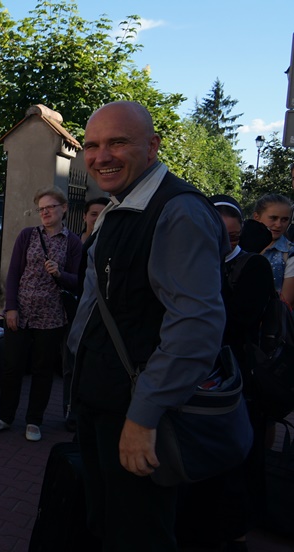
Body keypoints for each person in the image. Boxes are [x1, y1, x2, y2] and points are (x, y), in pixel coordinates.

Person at [67, 101, 228, 551]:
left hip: (137, 415)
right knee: (110, 527)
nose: (102, 156)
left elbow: (195, 326)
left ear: (153, 146)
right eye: (92, 145)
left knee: (138, 535)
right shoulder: (123, 206)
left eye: (117, 142)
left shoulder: (177, 211)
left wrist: (143, 415)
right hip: (106, 406)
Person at [173, 194, 274, 552]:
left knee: (233, 467)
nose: (221, 244)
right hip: (192, 379)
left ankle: (234, 535)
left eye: (230, 238)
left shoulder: (254, 267)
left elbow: (234, 323)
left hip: (234, 382)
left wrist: (205, 273)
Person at [0, 188, 81, 442]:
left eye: (50, 207)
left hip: (52, 317)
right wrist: (11, 308)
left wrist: (60, 273)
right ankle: (5, 416)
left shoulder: (72, 242)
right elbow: (14, 273)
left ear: (64, 208)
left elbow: (77, 282)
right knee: (12, 366)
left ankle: (34, 420)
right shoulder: (27, 235)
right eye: (41, 208)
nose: (45, 212)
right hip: (22, 313)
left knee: (42, 369)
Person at [251, 193, 294, 305]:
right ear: (256, 217)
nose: (278, 224)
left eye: (284, 220)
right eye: (273, 218)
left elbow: (285, 302)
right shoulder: (239, 246)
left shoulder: (290, 253)